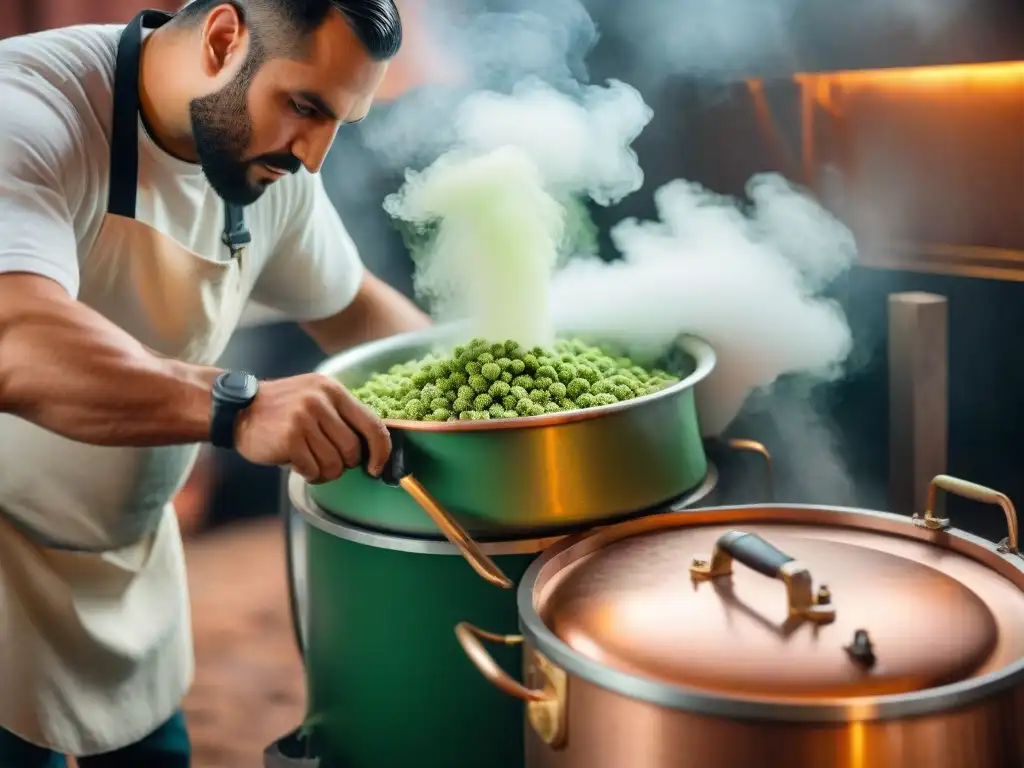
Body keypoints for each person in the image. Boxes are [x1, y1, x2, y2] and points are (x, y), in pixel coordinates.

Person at [0, 1, 431, 765]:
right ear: (224, 38)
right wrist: (240, 405)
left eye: (340, 121)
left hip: (128, 569)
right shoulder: (27, 109)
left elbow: (358, 310)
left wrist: (507, 409)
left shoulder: (272, 165)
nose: (314, 155)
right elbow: (15, 337)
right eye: (303, 106)